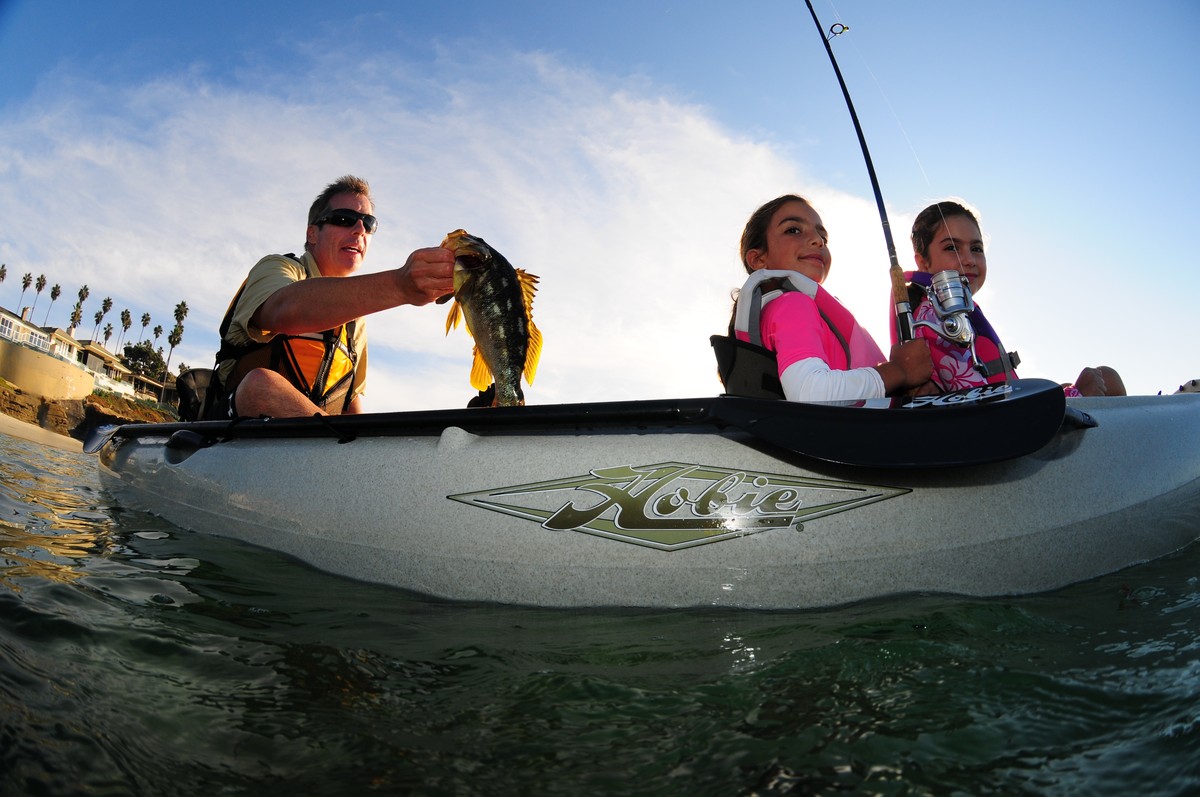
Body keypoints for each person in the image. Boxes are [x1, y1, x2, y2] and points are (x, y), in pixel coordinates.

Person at [210, 175, 455, 418]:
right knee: (260, 387)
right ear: (312, 234)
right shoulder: (278, 268)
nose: (359, 230)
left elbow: (351, 402)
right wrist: (401, 285)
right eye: (344, 219)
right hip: (231, 434)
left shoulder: (355, 320)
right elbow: (283, 309)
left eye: (368, 224)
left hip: (317, 449)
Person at [715, 194, 932, 402]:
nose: (817, 241)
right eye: (793, 230)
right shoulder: (792, 305)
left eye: (823, 237)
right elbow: (810, 393)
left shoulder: (780, 309)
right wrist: (899, 370)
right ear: (758, 259)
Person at [906, 200, 1126, 397]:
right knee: (1108, 378)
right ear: (923, 263)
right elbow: (984, 408)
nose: (969, 259)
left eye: (976, 248)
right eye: (952, 247)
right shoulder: (937, 318)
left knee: (1095, 379)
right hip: (1007, 431)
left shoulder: (944, 311)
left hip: (1010, 414)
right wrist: (1079, 395)